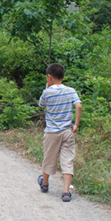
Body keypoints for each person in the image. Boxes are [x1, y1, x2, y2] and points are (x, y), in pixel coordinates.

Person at [37, 63, 82, 203]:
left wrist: (47, 88)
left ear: (49, 77)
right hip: (67, 131)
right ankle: (66, 191)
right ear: (63, 76)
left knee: (49, 158)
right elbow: (78, 105)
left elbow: (41, 105)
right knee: (67, 160)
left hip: (51, 132)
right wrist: (76, 124)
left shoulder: (47, 92)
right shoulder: (70, 90)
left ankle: (44, 184)